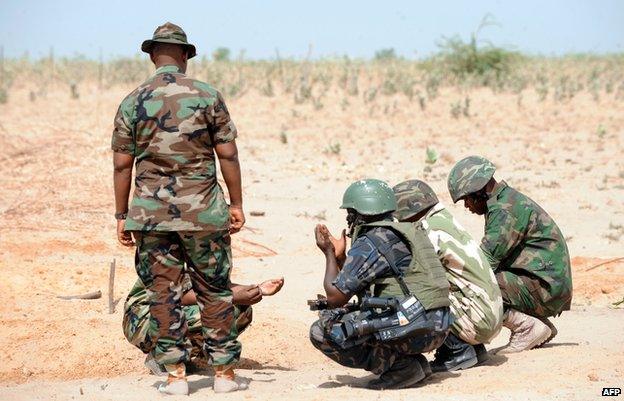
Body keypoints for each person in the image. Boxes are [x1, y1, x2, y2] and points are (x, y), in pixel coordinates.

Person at [111, 22, 247, 394]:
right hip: (205, 213)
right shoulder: (208, 96)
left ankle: (175, 377)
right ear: (186, 56)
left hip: (152, 218)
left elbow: (123, 165)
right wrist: (236, 204)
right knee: (214, 289)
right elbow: (229, 155)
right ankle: (224, 375)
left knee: (163, 293)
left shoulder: (132, 101)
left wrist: (122, 216)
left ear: (153, 55)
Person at [309, 179, 451, 390]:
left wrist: (329, 252)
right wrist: (341, 260)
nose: (349, 219)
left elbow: (335, 297)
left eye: (350, 213)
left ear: (359, 213)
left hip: (418, 329)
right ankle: (413, 363)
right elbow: (361, 279)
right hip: (438, 324)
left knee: (323, 330)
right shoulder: (404, 231)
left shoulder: (373, 240)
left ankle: (401, 367)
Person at [447, 156, 573, 353]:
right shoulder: (505, 201)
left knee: (473, 285)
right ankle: (538, 324)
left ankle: (526, 327)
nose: (466, 206)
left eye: (467, 199)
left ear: (479, 192)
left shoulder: (505, 210)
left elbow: (484, 265)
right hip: (546, 283)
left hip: (546, 288)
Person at [392, 180, 503, 372]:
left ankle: (457, 350)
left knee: (412, 294)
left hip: (478, 318)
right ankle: (474, 348)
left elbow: (413, 274)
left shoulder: (428, 230)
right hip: (488, 313)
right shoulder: (444, 220)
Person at [123, 274, 284, 375]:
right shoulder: (173, 246)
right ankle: (162, 357)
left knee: (241, 309)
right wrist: (230, 297)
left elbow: (219, 288)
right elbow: (177, 296)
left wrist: (259, 289)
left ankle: (184, 356)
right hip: (142, 319)